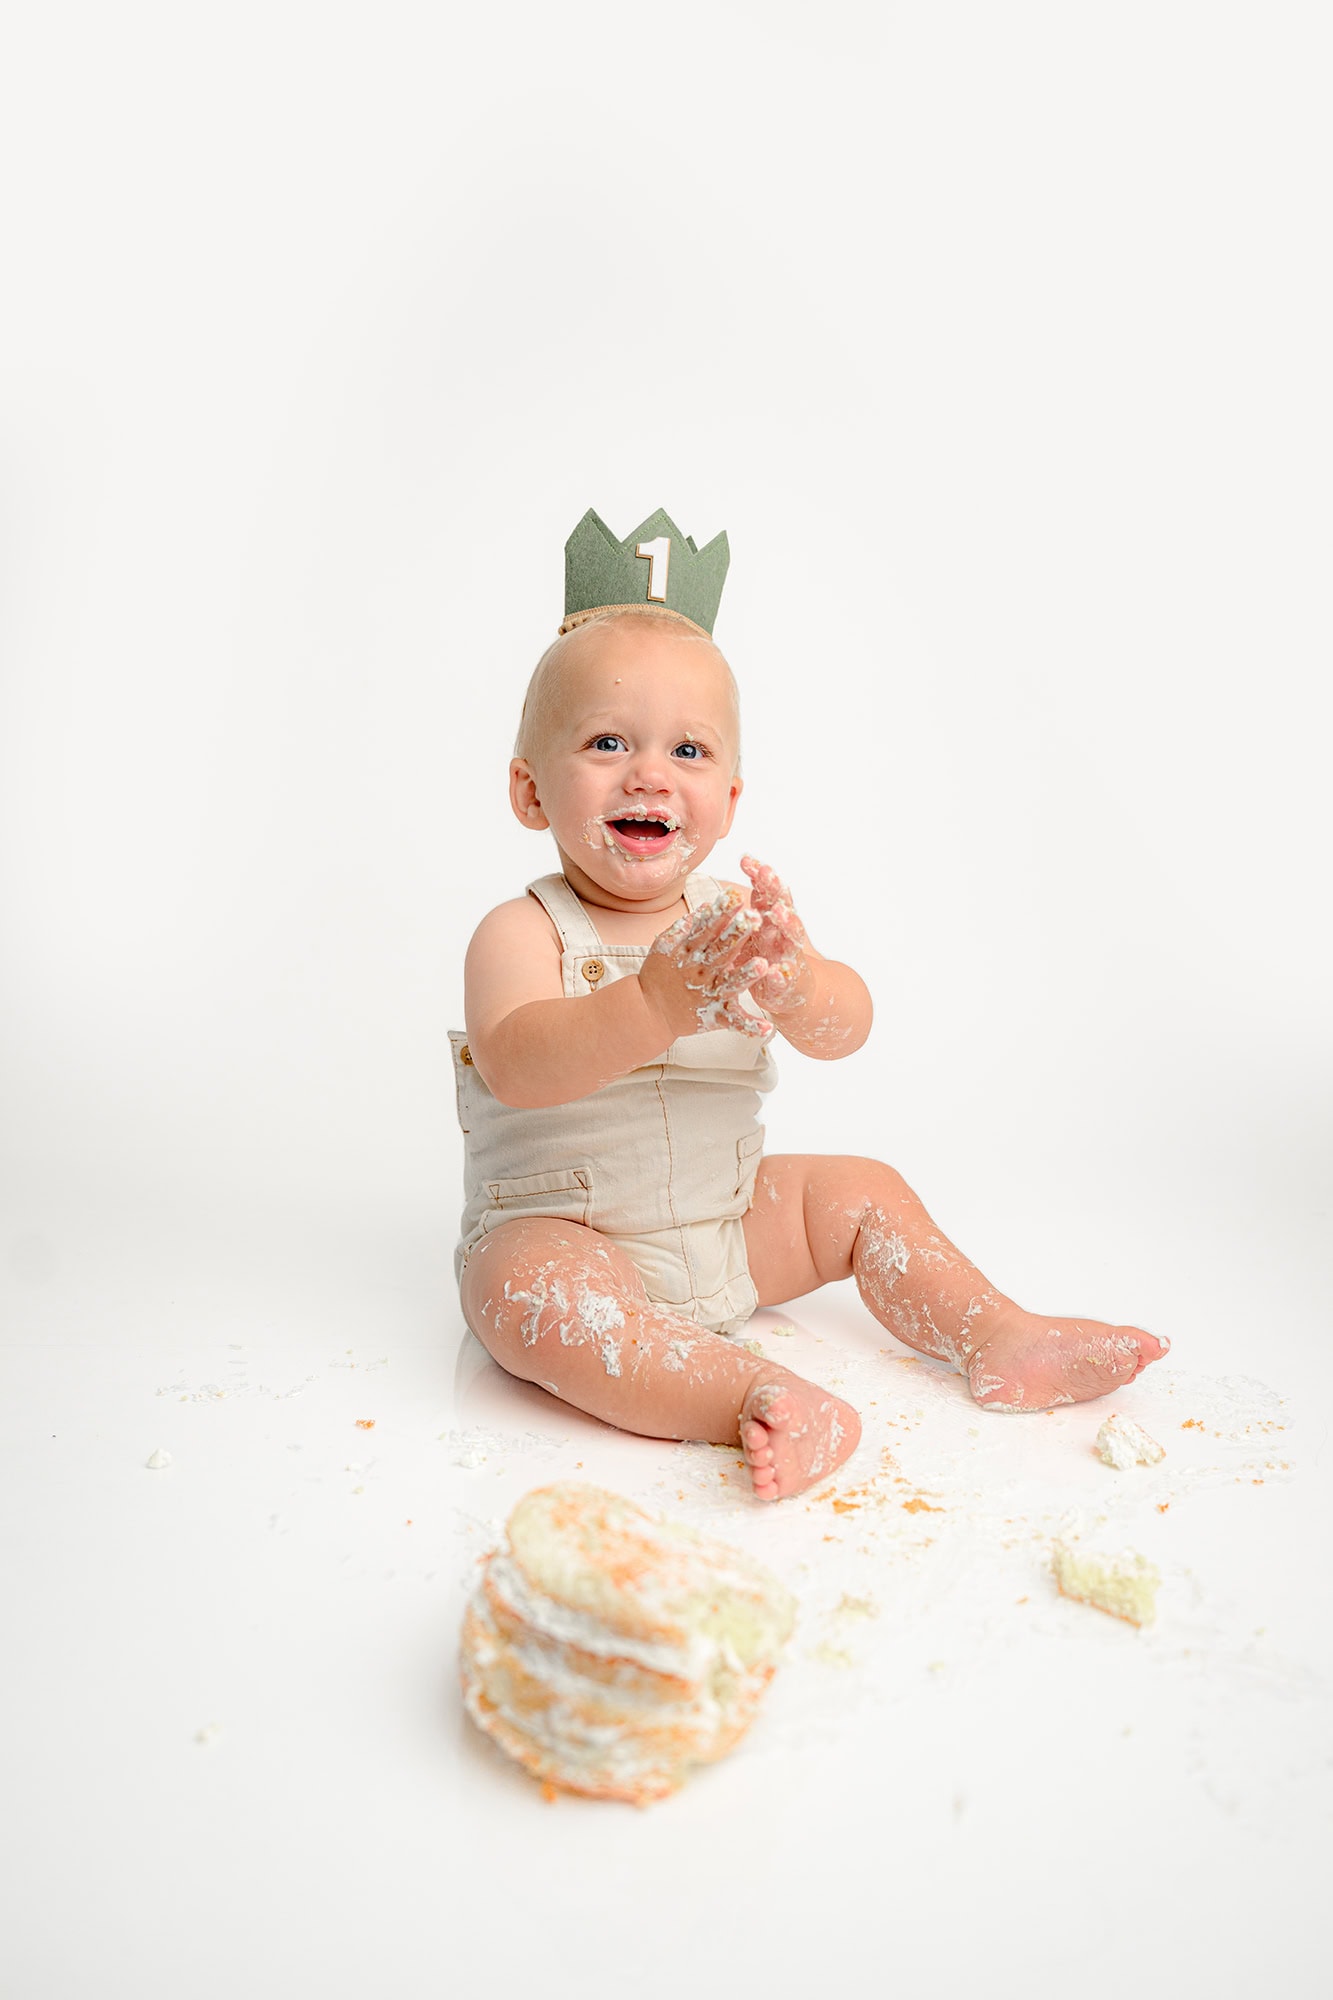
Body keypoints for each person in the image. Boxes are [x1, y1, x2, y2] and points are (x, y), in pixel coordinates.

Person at [452, 509, 1167, 1502]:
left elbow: (850, 1026)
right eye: (607, 741)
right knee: (523, 1295)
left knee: (860, 1186)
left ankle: (996, 1331)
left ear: (732, 799)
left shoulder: (732, 922)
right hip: (570, 1232)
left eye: (689, 751)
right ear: (531, 791)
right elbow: (519, 1061)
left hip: (728, 1225)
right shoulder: (520, 932)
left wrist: (799, 985)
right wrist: (654, 1001)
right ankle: (752, 1391)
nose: (650, 772)